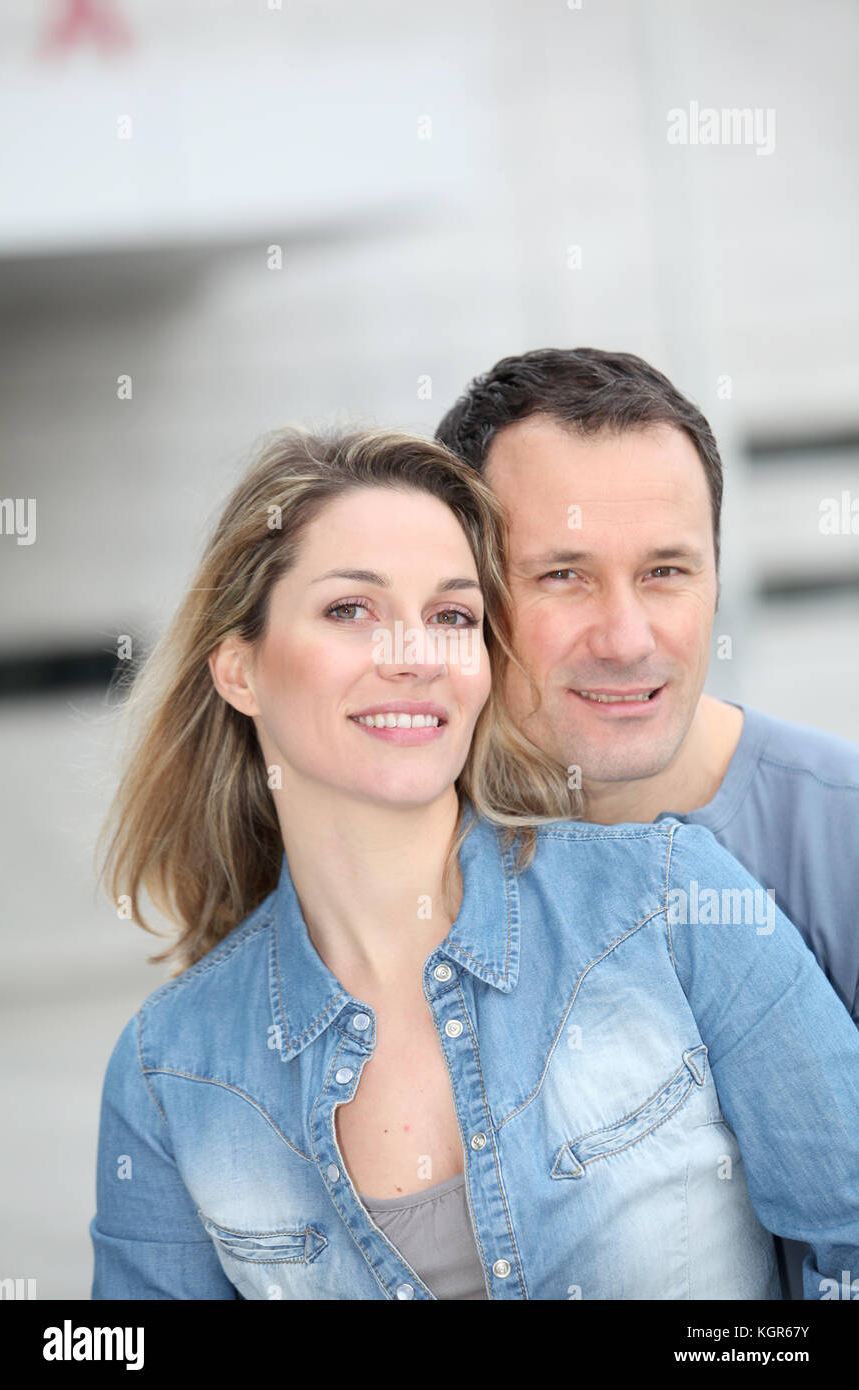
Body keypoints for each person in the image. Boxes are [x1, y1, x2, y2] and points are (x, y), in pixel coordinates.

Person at [89, 425, 859, 1300]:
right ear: (238, 669)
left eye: (451, 616)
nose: (413, 656)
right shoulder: (171, 1069)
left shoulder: (675, 905)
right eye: (351, 610)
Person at [435, 347, 859, 1298]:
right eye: (563, 577)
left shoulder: (843, 842)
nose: (627, 638)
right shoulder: (402, 858)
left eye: (666, 570)